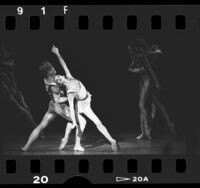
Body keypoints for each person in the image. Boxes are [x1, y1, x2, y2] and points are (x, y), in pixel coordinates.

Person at [51, 45, 120, 152]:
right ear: (60, 83)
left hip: (87, 101)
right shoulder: (70, 92)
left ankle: (112, 140)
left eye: (58, 76)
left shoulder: (69, 77)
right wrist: (74, 121)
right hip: (82, 106)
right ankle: (77, 143)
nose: (59, 77)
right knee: (84, 124)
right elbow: (72, 108)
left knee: (98, 123)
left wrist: (58, 54)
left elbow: (64, 65)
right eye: (58, 79)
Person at [21, 61, 87, 152]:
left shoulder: (47, 79)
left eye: (52, 67)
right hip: (59, 107)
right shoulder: (54, 86)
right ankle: (77, 144)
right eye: (51, 68)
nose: (53, 68)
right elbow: (58, 100)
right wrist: (71, 96)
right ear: (47, 73)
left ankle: (26, 147)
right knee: (82, 121)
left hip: (51, 106)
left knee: (41, 126)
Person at [128, 39, 175, 140]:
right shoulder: (139, 55)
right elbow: (130, 68)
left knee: (154, 106)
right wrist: (136, 70)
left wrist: (157, 82)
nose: (130, 52)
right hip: (146, 81)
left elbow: (157, 57)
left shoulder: (150, 51)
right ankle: (145, 131)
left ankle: (154, 129)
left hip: (153, 81)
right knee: (149, 105)